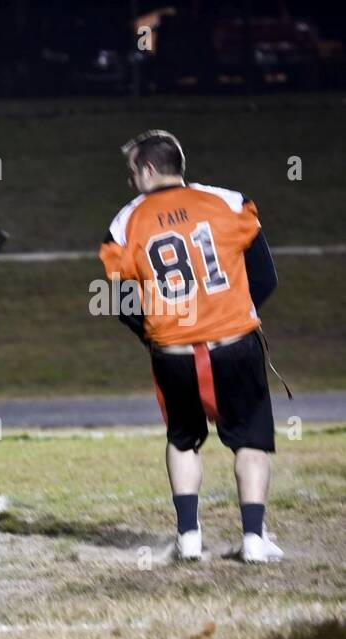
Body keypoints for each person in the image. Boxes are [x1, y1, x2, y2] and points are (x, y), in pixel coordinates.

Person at [99, 129, 282, 563]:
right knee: (251, 440)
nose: (130, 182)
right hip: (234, 342)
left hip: (173, 350)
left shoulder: (125, 221)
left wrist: (155, 331)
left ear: (148, 169)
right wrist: (230, 312)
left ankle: (189, 538)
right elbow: (266, 278)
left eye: (132, 172)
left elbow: (119, 299)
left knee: (183, 440)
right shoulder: (229, 202)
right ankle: (254, 539)